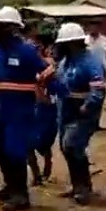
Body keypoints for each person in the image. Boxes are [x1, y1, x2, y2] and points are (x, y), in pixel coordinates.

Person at [0, 6, 51, 211]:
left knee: (15, 152)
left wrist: (54, 91)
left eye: (3, 26)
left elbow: (47, 71)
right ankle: (10, 186)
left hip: (19, 112)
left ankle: (20, 195)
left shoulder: (26, 51)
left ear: (14, 28)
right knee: (0, 150)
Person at [51, 23, 106, 205]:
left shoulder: (91, 61)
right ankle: (77, 185)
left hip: (82, 111)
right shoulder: (65, 62)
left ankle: (84, 187)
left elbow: (98, 89)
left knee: (73, 145)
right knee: (66, 148)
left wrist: (88, 106)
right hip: (65, 109)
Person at [28, 31, 59, 185]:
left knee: (44, 141)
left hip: (45, 106)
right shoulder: (26, 63)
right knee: (28, 142)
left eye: (36, 44)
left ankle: (47, 167)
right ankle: (36, 175)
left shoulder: (49, 63)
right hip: (29, 105)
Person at [85, 19, 106, 131]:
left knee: (99, 98)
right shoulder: (84, 40)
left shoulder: (105, 40)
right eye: (92, 26)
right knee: (86, 97)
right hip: (86, 71)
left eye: (96, 26)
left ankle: (95, 123)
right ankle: (87, 122)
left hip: (100, 72)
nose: (94, 29)